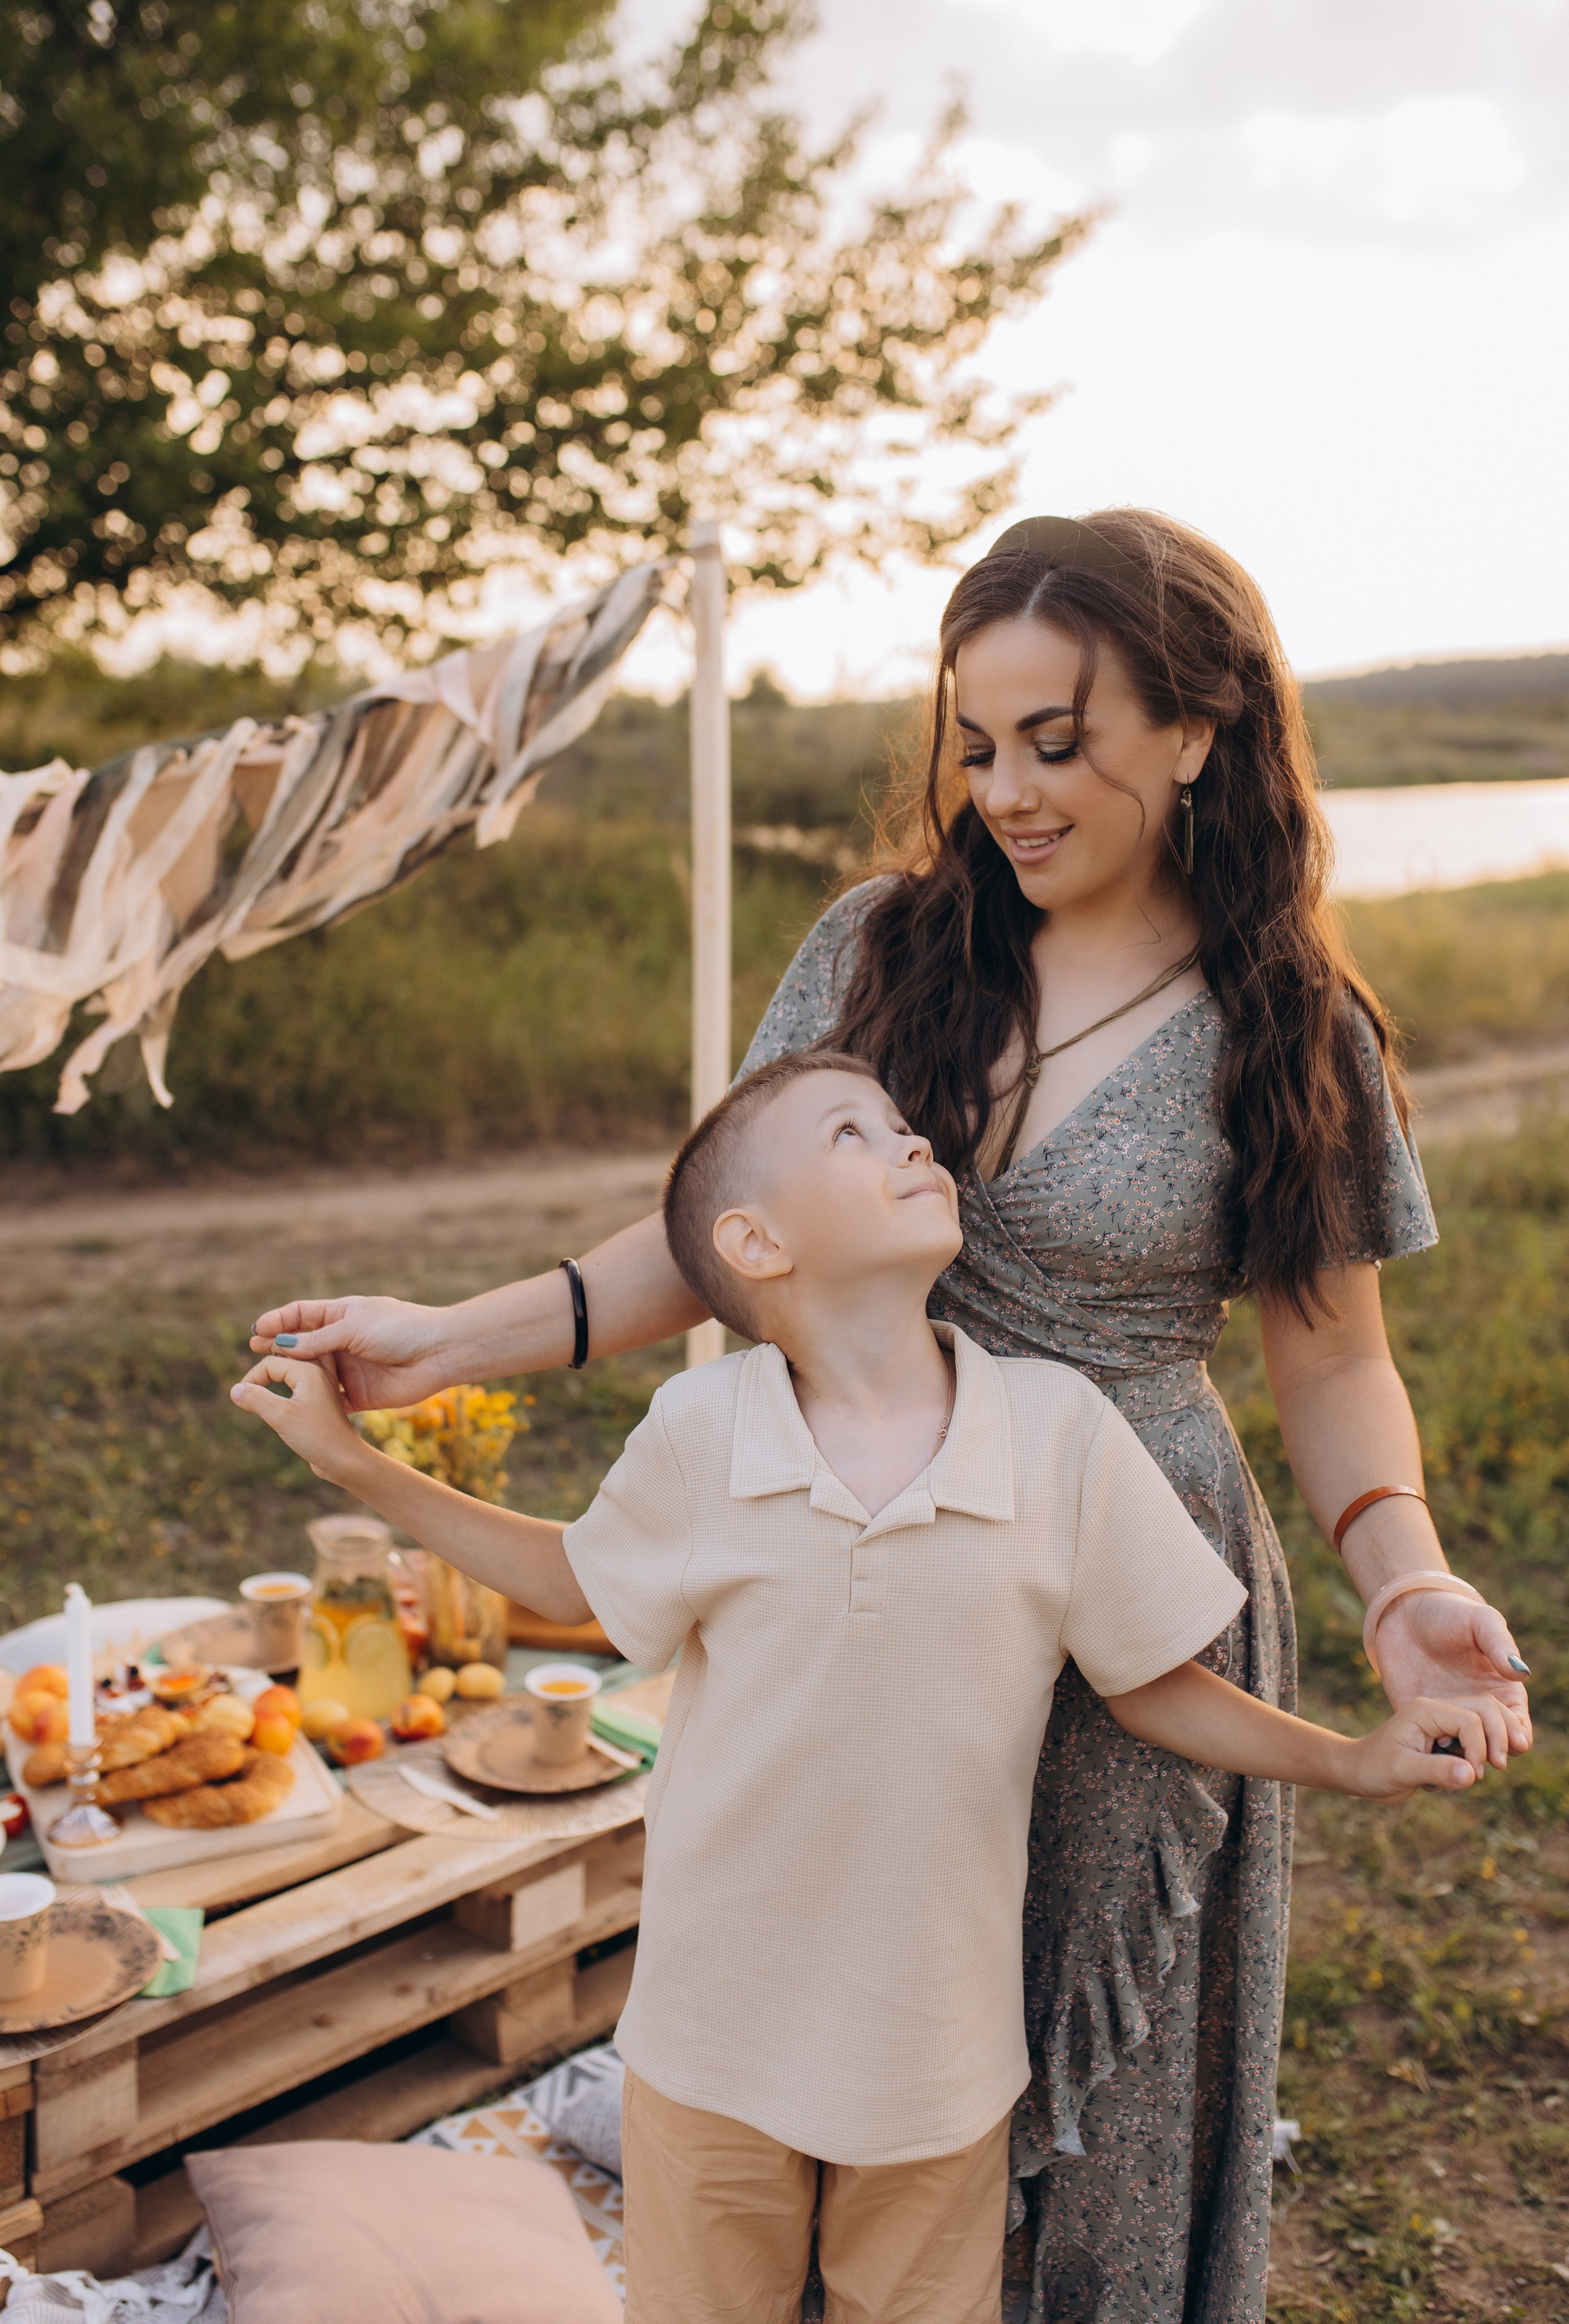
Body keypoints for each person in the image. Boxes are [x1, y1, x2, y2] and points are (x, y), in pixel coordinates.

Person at [249, 510, 1533, 2324]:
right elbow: (718, 1235)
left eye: (1058, 741)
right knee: (837, 1997)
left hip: (1123, 1575)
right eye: (978, 739)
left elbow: (1333, 1363)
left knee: (1084, 2100)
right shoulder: (886, 944)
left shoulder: (1290, 1022)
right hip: (862, 1557)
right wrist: (447, 1336)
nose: (1006, 790)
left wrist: (1404, 1582)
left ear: (1200, 727)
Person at [234, 1051, 1514, 2324]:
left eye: (908, 1123)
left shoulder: (1056, 1428)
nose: (914, 1143)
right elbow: (569, 1581)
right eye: (857, 1132)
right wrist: (354, 1463)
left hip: (934, 2072)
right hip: (708, 2052)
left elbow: (1152, 1686)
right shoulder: (700, 1429)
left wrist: (1352, 1754)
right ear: (754, 1239)